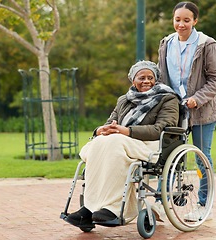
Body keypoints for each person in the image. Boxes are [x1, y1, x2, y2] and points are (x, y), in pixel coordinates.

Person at [65, 60, 180, 228]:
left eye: (150, 77)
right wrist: (101, 130)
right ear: (133, 80)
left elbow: (162, 129)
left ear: (156, 80)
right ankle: (89, 208)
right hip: (120, 141)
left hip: (150, 144)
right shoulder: (124, 100)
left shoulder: (167, 98)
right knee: (102, 141)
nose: (146, 81)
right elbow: (111, 122)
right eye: (141, 78)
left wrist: (126, 131)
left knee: (114, 142)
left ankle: (114, 208)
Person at [157, 1, 216, 219]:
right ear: (173, 20)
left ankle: (204, 205)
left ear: (195, 21)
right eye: (178, 19)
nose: (181, 24)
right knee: (168, 155)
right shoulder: (166, 43)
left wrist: (197, 98)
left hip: (202, 111)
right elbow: (162, 76)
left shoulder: (207, 44)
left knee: (202, 157)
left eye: (186, 20)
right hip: (174, 110)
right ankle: (162, 200)